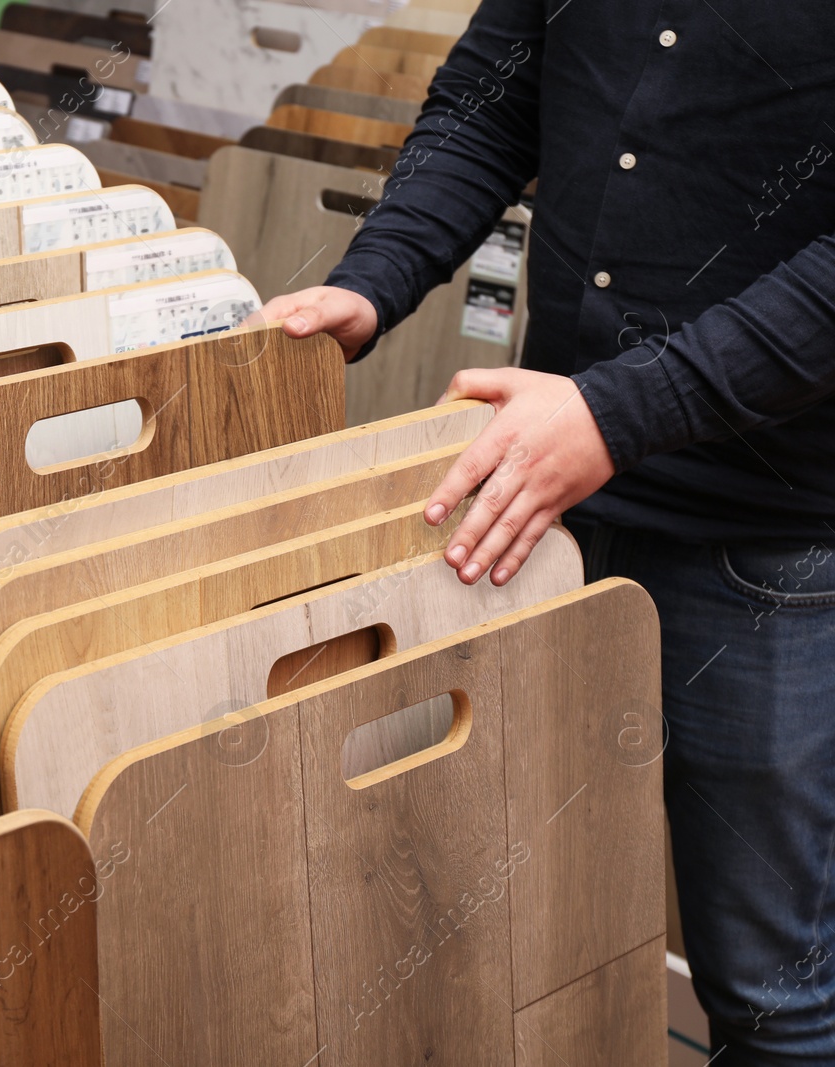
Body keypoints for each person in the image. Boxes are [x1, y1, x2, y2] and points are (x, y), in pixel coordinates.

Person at [258, 2, 835, 1062]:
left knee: (771, 993)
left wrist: (619, 413)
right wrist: (368, 281)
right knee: (514, 936)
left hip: (764, 542)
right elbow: (490, 106)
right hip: (548, 497)